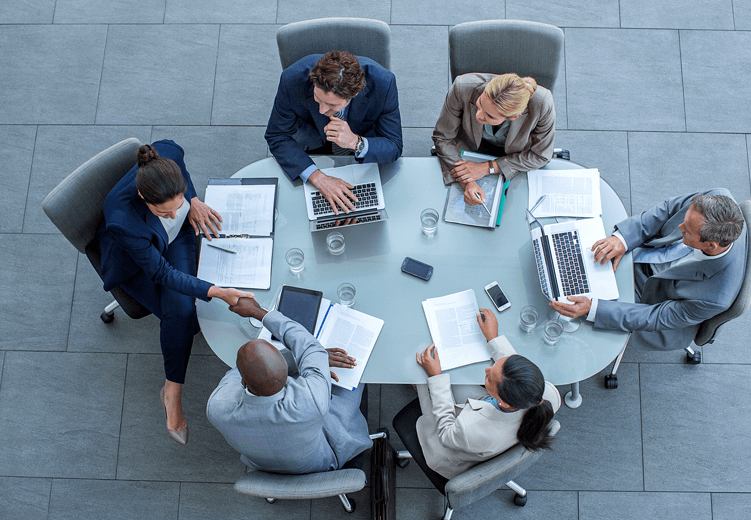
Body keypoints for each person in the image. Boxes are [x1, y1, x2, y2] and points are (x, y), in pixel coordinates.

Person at [97, 140, 253, 445]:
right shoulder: (122, 220)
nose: (172, 214)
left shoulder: (167, 156)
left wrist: (192, 201)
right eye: (164, 212)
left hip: (177, 239)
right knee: (182, 313)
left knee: (186, 314)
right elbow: (162, 273)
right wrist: (218, 292)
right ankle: (173, 390)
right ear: (144, 197)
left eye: (176, 205)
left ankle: (172, 382)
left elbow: (179, 165)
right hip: (138, 264)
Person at [551, 189, 747, 352]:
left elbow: (656, 316)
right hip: (647, 252)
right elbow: (668, 210)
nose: (679, 228)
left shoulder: (715, 297)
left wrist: (594, 309)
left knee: (571, 315)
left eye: (687, 230)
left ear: (711, 245)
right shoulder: (715, 197)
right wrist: (623, 239)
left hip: (654, 299)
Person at [206, 298, 372, 473]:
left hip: (263, 466)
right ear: (287, 373)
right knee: (359, 370)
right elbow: (309, 347)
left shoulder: (216, 406)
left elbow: (240, 371)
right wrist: (259, 312)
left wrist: (308, 361)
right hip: (321, 461)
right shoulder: (310, 400)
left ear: (243, 382)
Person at [400, 308, 560, 480]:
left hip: (449, 444)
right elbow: (514, 371)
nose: (487, 369)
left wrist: (436, 378)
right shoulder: (544, 394)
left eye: (490, 377)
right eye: (496, 365)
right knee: (454, 379)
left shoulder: (470, 429)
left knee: (416, 367)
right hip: (486, 412)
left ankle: (422, 388)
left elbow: (446, 434)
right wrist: (493, 338)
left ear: (504, 402)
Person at [265, 50, 403, 215]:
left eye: (332, 105)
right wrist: (317, 178)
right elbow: (277, 135)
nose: (322, 110)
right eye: (318, 99)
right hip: (312, 148)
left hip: (363, 156)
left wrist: (356, 142)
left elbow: (394, 145)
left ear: (355, 94)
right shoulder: (291, 79)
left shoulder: (384, 83)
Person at [432, 73, 555, 206]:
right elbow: (443, 137)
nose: (478, 116)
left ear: (514, 116)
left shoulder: (542, 104)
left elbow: (541, 156)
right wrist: (467, 181)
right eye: (479, 104)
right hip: (468, 150)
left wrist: (487, 168)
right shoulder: (462, 87)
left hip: (514, 158)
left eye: (489, 116)